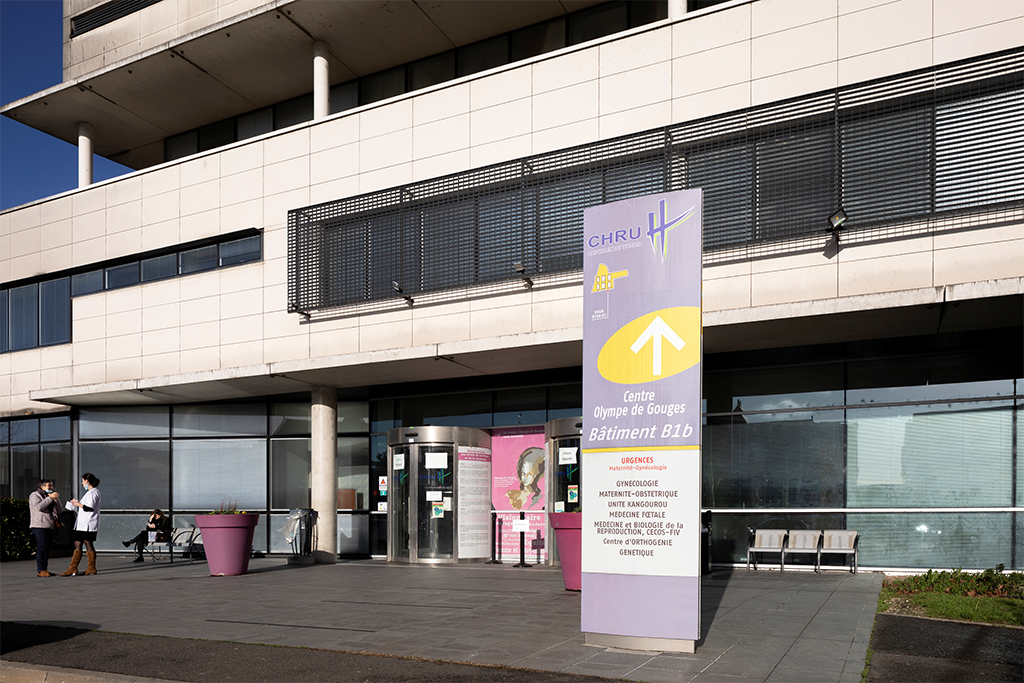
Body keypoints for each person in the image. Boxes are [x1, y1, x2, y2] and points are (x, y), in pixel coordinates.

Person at [60, 472, 102, 576]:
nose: (82, 483)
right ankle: (73, 568)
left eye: (83, 481)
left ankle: (91, 568)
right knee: (77, 543)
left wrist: (77, 504)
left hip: (88, 524)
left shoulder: (93, 492)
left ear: (87, 481)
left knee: (88, 543)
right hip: (82, 524)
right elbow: (86, 505)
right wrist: (77, 503)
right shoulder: (89, 493)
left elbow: (89, 507)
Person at [28, 479, 61, 577]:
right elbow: (39, 507)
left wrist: (56, 499)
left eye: (51, 486)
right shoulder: (35, 495)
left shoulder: (50, 496)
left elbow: (59, 510)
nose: (51, 488)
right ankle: (40, 569)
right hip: (39, 525)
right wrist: (50, 498)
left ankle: (45, 568)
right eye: (48, 486)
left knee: (47, 547)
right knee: (42, 546)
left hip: (50, 524)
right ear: (42, 487)